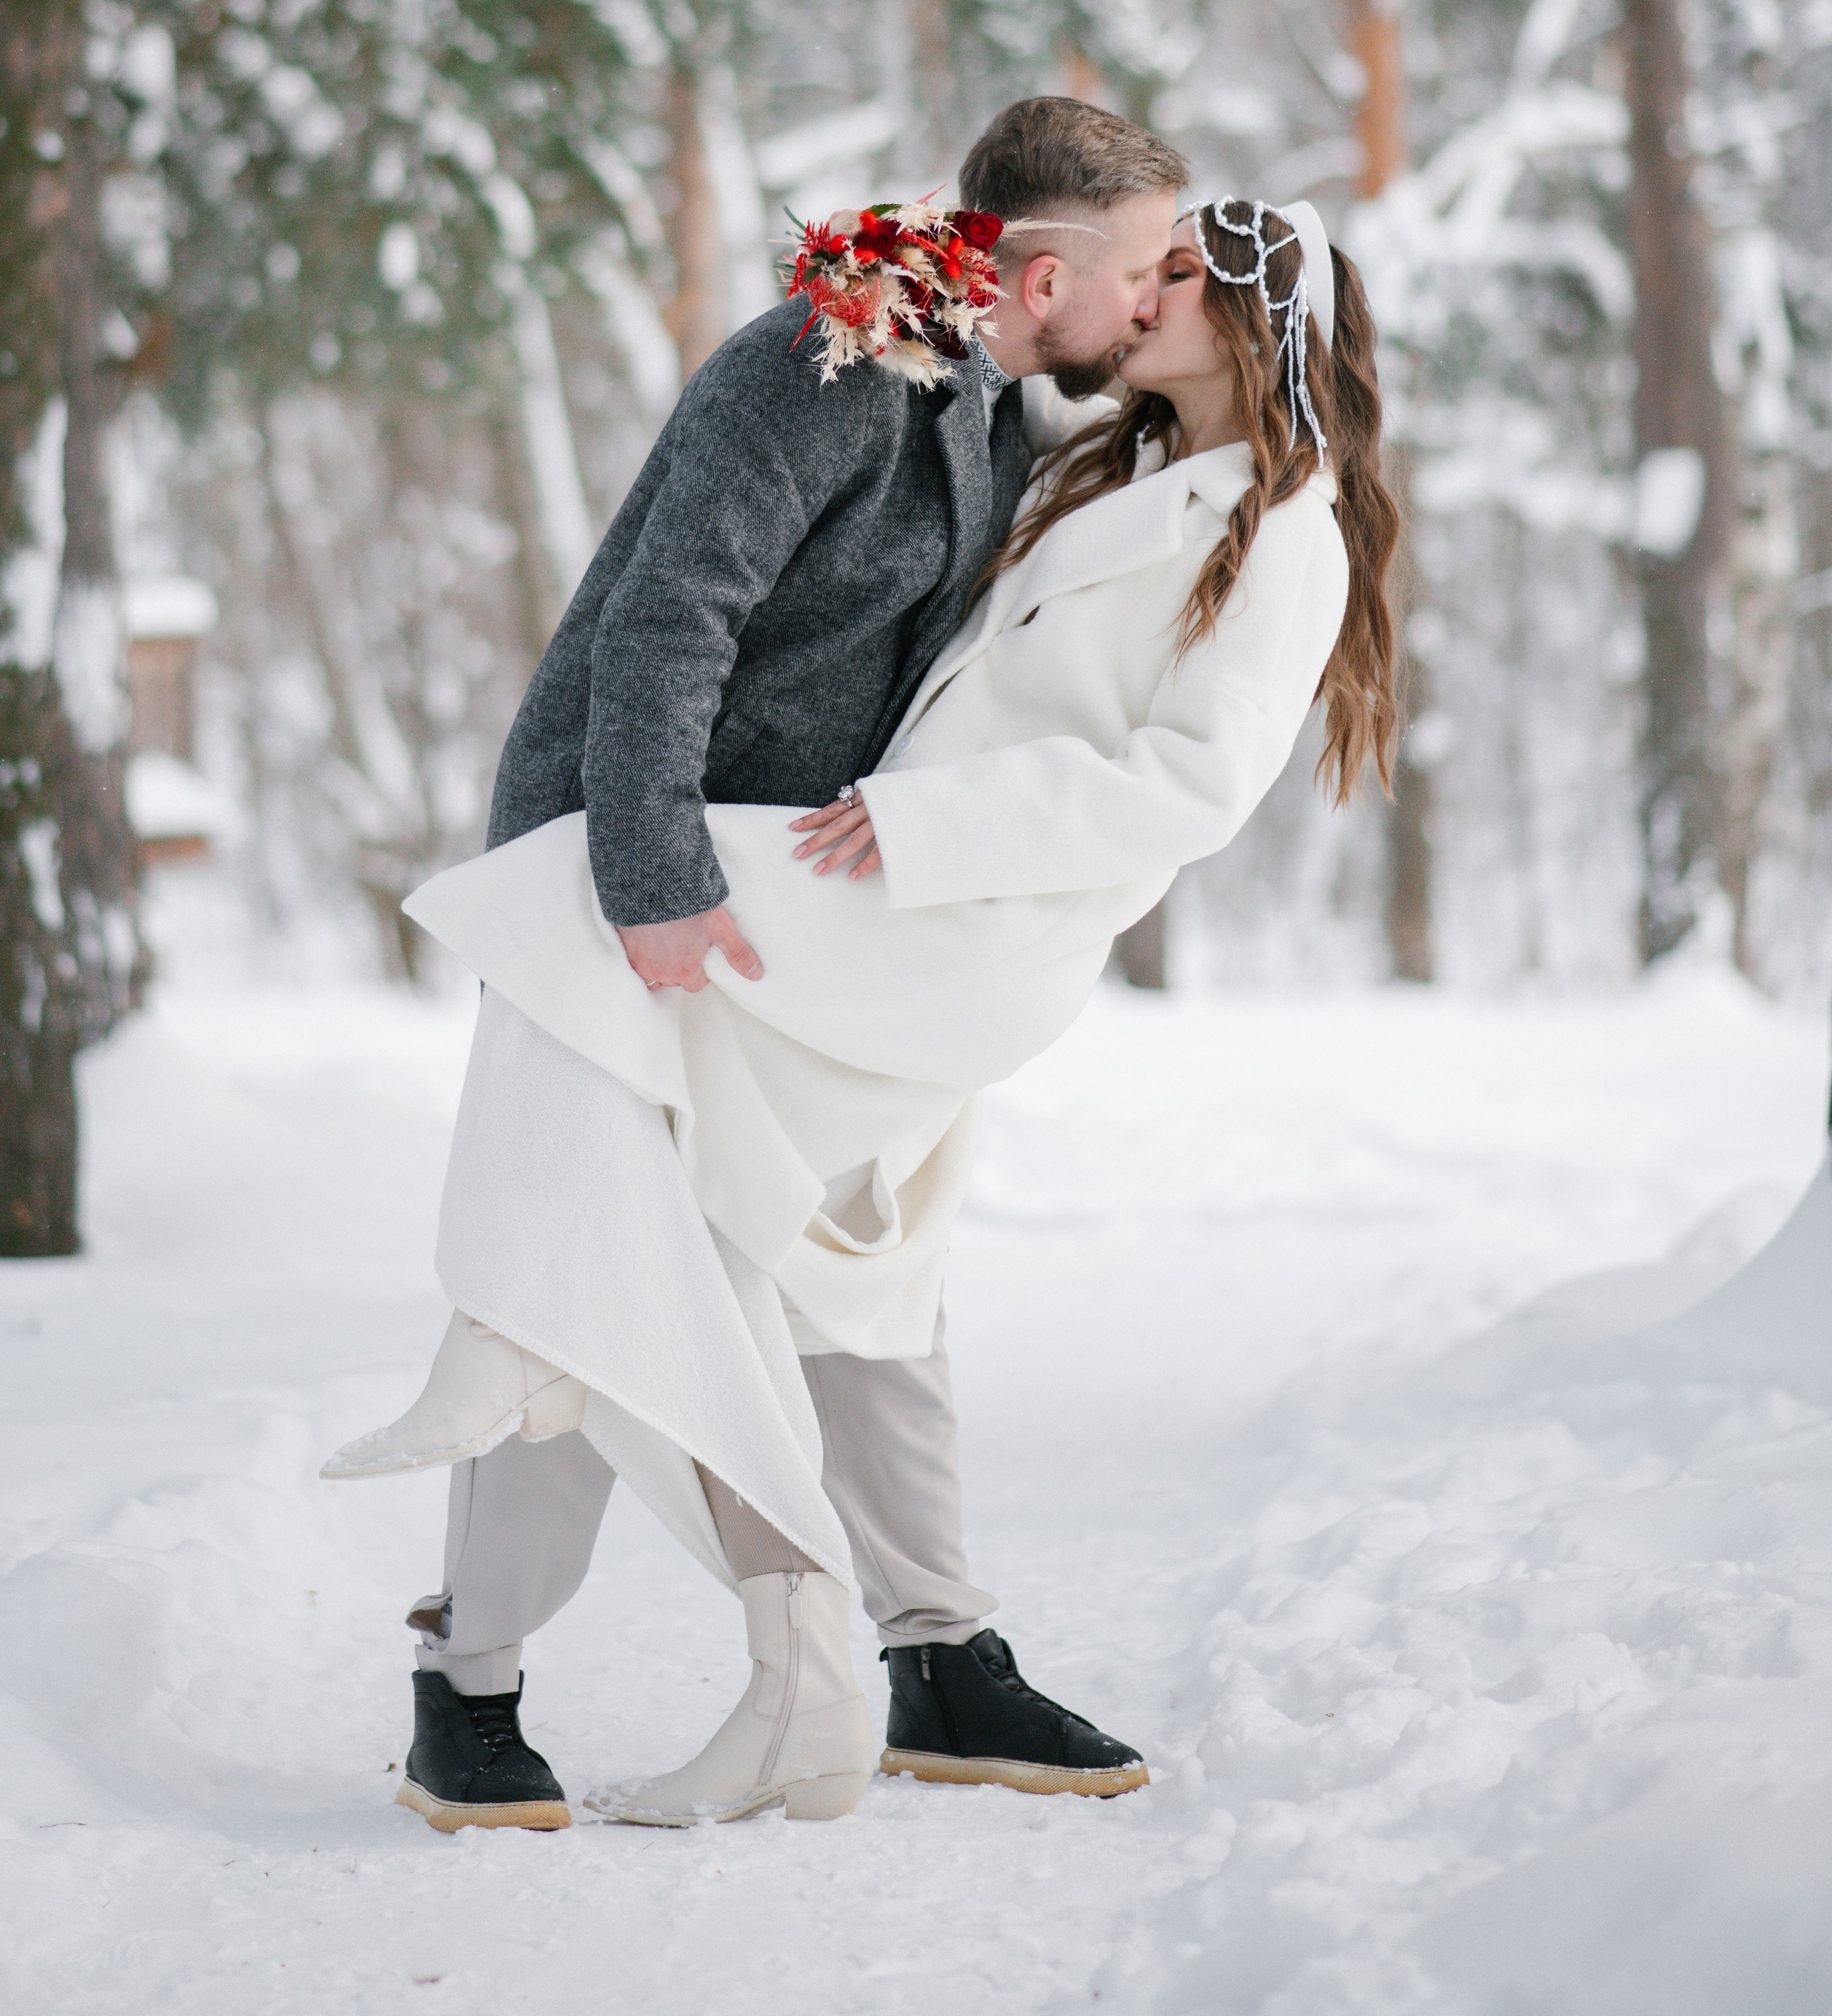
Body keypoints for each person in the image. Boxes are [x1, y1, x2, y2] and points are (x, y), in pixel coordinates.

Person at [330, 173, 1399, 1834]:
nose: (1148, 296)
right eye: (1146, 266)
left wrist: (919, 826)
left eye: (1181, 276)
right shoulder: (1086, 454)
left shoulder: (1283, 531)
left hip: (929, 905)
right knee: (804, 1244)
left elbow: (1185, 787)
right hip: (882, 896)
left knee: (581, 1017)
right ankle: (901, 1660)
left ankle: (539, 1503)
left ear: (1257, 327)